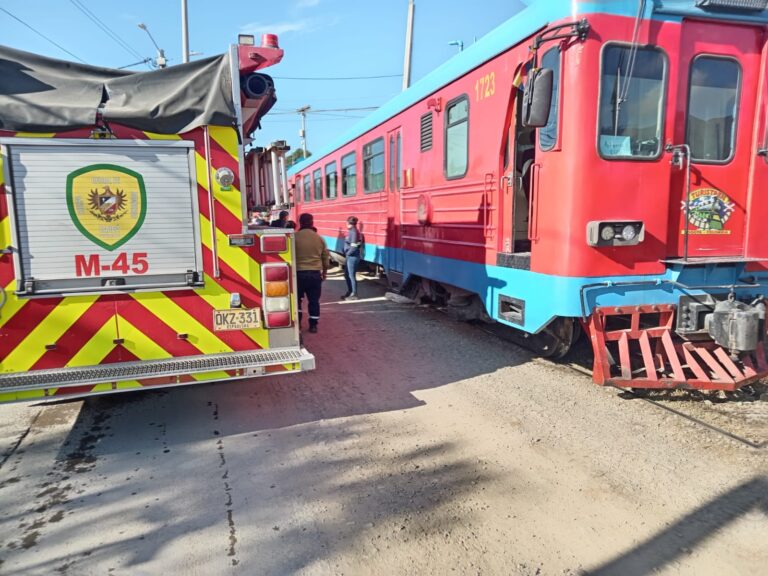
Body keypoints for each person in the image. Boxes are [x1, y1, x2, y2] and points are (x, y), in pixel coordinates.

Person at [294, 213, 329, 333]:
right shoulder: (319, 238)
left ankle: (298, 324)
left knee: (297, 300)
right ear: (312, 222)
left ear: (300, 222)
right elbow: (325, 257)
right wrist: (324, 272)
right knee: (314, 301)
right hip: (314, 275)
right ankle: (313, 325)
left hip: (298, 275)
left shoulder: (294, 237)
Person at [341, 216, 362, 301]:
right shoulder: (353, 231)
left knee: (351, 275)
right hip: (351, 256)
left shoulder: (353, 232)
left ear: (349, 223)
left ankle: (354, 294)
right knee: (347, 275)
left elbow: (354, 247)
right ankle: (350, 292)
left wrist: (347, 254)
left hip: (352, 257)